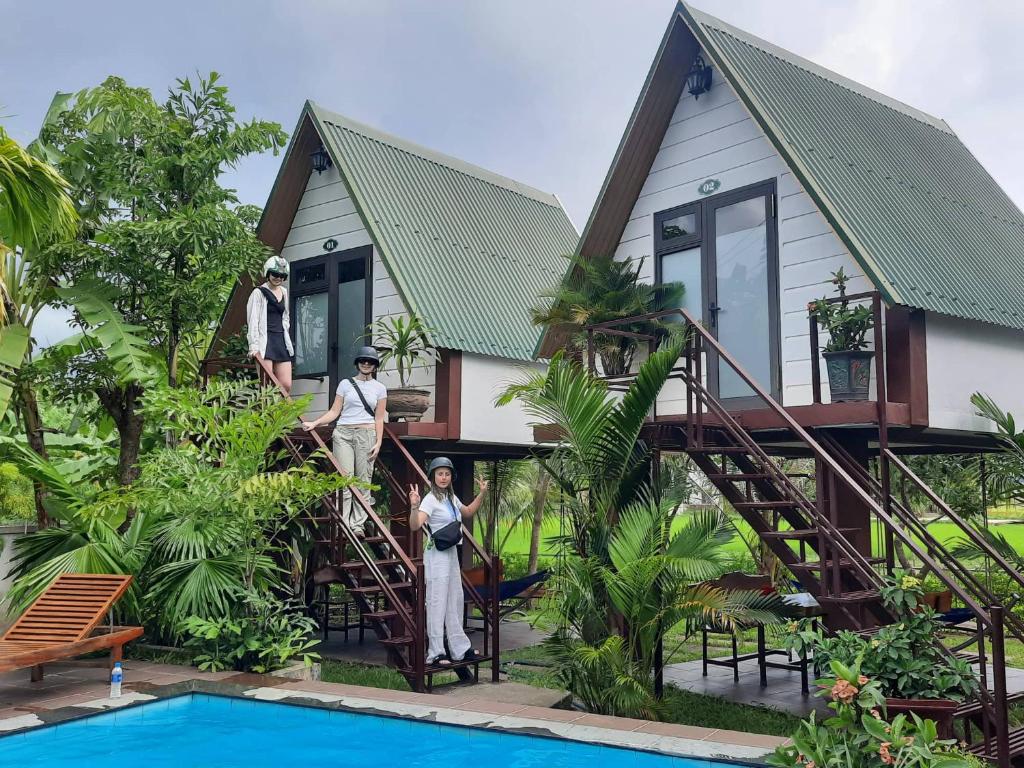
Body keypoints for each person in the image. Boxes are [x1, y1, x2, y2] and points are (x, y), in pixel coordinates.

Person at [408, 457, 488, 666]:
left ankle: (460, 649)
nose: (443, 477)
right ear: (433, 477)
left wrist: (482, 493)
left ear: (451, 477)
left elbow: (468, 512)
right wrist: (414, 506)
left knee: (454, 598)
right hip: (436, 555)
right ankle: (436, 652)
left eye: (447, 474)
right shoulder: (430, 499)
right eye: (439, 474)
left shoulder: (450, 498)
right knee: (437, 601)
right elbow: (415, 526)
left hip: (451, 552)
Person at [301, 347, 387, 533]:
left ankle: (357, 525)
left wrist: (379, 442)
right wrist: (315, 423)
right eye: (363, 360)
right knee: (345, 479)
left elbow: (379, 418)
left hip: (367, 434)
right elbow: (334, 411)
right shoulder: (345, 384)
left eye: (370, 361)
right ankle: (344, 523)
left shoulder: (380, 389)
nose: (366, 364)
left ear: (374, 366)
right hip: (343, 433)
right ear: (357, 362)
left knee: (363, 480)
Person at [246, 255, 294, 395]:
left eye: (282, 275)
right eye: (275, 274)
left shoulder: (284, 292)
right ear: (268, 273)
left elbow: (286, 316)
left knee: (285, 384)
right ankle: (267, 414)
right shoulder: (258, 293)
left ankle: (278, 413)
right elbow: (253, 320)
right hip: (264, 341)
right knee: (266, 383)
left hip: (280, 340)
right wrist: (253, 347)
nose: (278, 278)